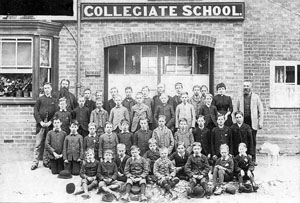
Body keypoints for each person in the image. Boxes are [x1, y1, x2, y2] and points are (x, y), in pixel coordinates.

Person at [32, 82, 58, 170]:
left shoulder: (54, 100)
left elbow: (56, 113)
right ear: (44, 89)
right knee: (38, 144)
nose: (47, 90)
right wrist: (40, 122)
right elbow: (35, 112)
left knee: (47, 143)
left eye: (48, 88)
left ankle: (46, 161)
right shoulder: (40, 99)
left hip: (50, 126)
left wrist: (51, 122)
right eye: (45, 88)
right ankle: (35, 162)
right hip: (41, 125)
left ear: (51, 89)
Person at [236, 81, 264, 165]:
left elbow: (261, 110)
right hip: (243, 123)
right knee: (243, 140)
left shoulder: (256, 97)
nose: (246, 88)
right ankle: (242, 158)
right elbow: (236, 110)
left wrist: (260, 122)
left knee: (252, 141)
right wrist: (236, 122)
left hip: (253, 123)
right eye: (244, 86)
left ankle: (253, 159)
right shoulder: (240, 97)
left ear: (251, 87)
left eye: (247, 86)